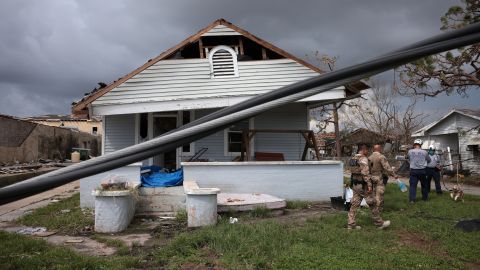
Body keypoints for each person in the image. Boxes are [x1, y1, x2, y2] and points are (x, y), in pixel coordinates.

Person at [347, 145, 390, 230]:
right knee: (373, 203)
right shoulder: (363, 159)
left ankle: (351, 224)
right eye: (367, 150)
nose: (368, 152)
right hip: (363, 185)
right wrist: (369, 185)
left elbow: (352, 172)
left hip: (355, 184)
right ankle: (379, 223)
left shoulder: (352, 159)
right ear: (364, 150)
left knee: (354, 204)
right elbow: (365, 173)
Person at [369, 144, 398, 211]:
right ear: (379, 149)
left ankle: (372, 207)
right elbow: (386, 167)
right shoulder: (381, 157)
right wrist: (394, 174)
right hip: (379, 177)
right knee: (379, 193)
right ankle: (378, 209)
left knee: (373, 193)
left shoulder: (369, 157)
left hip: (371, 177)